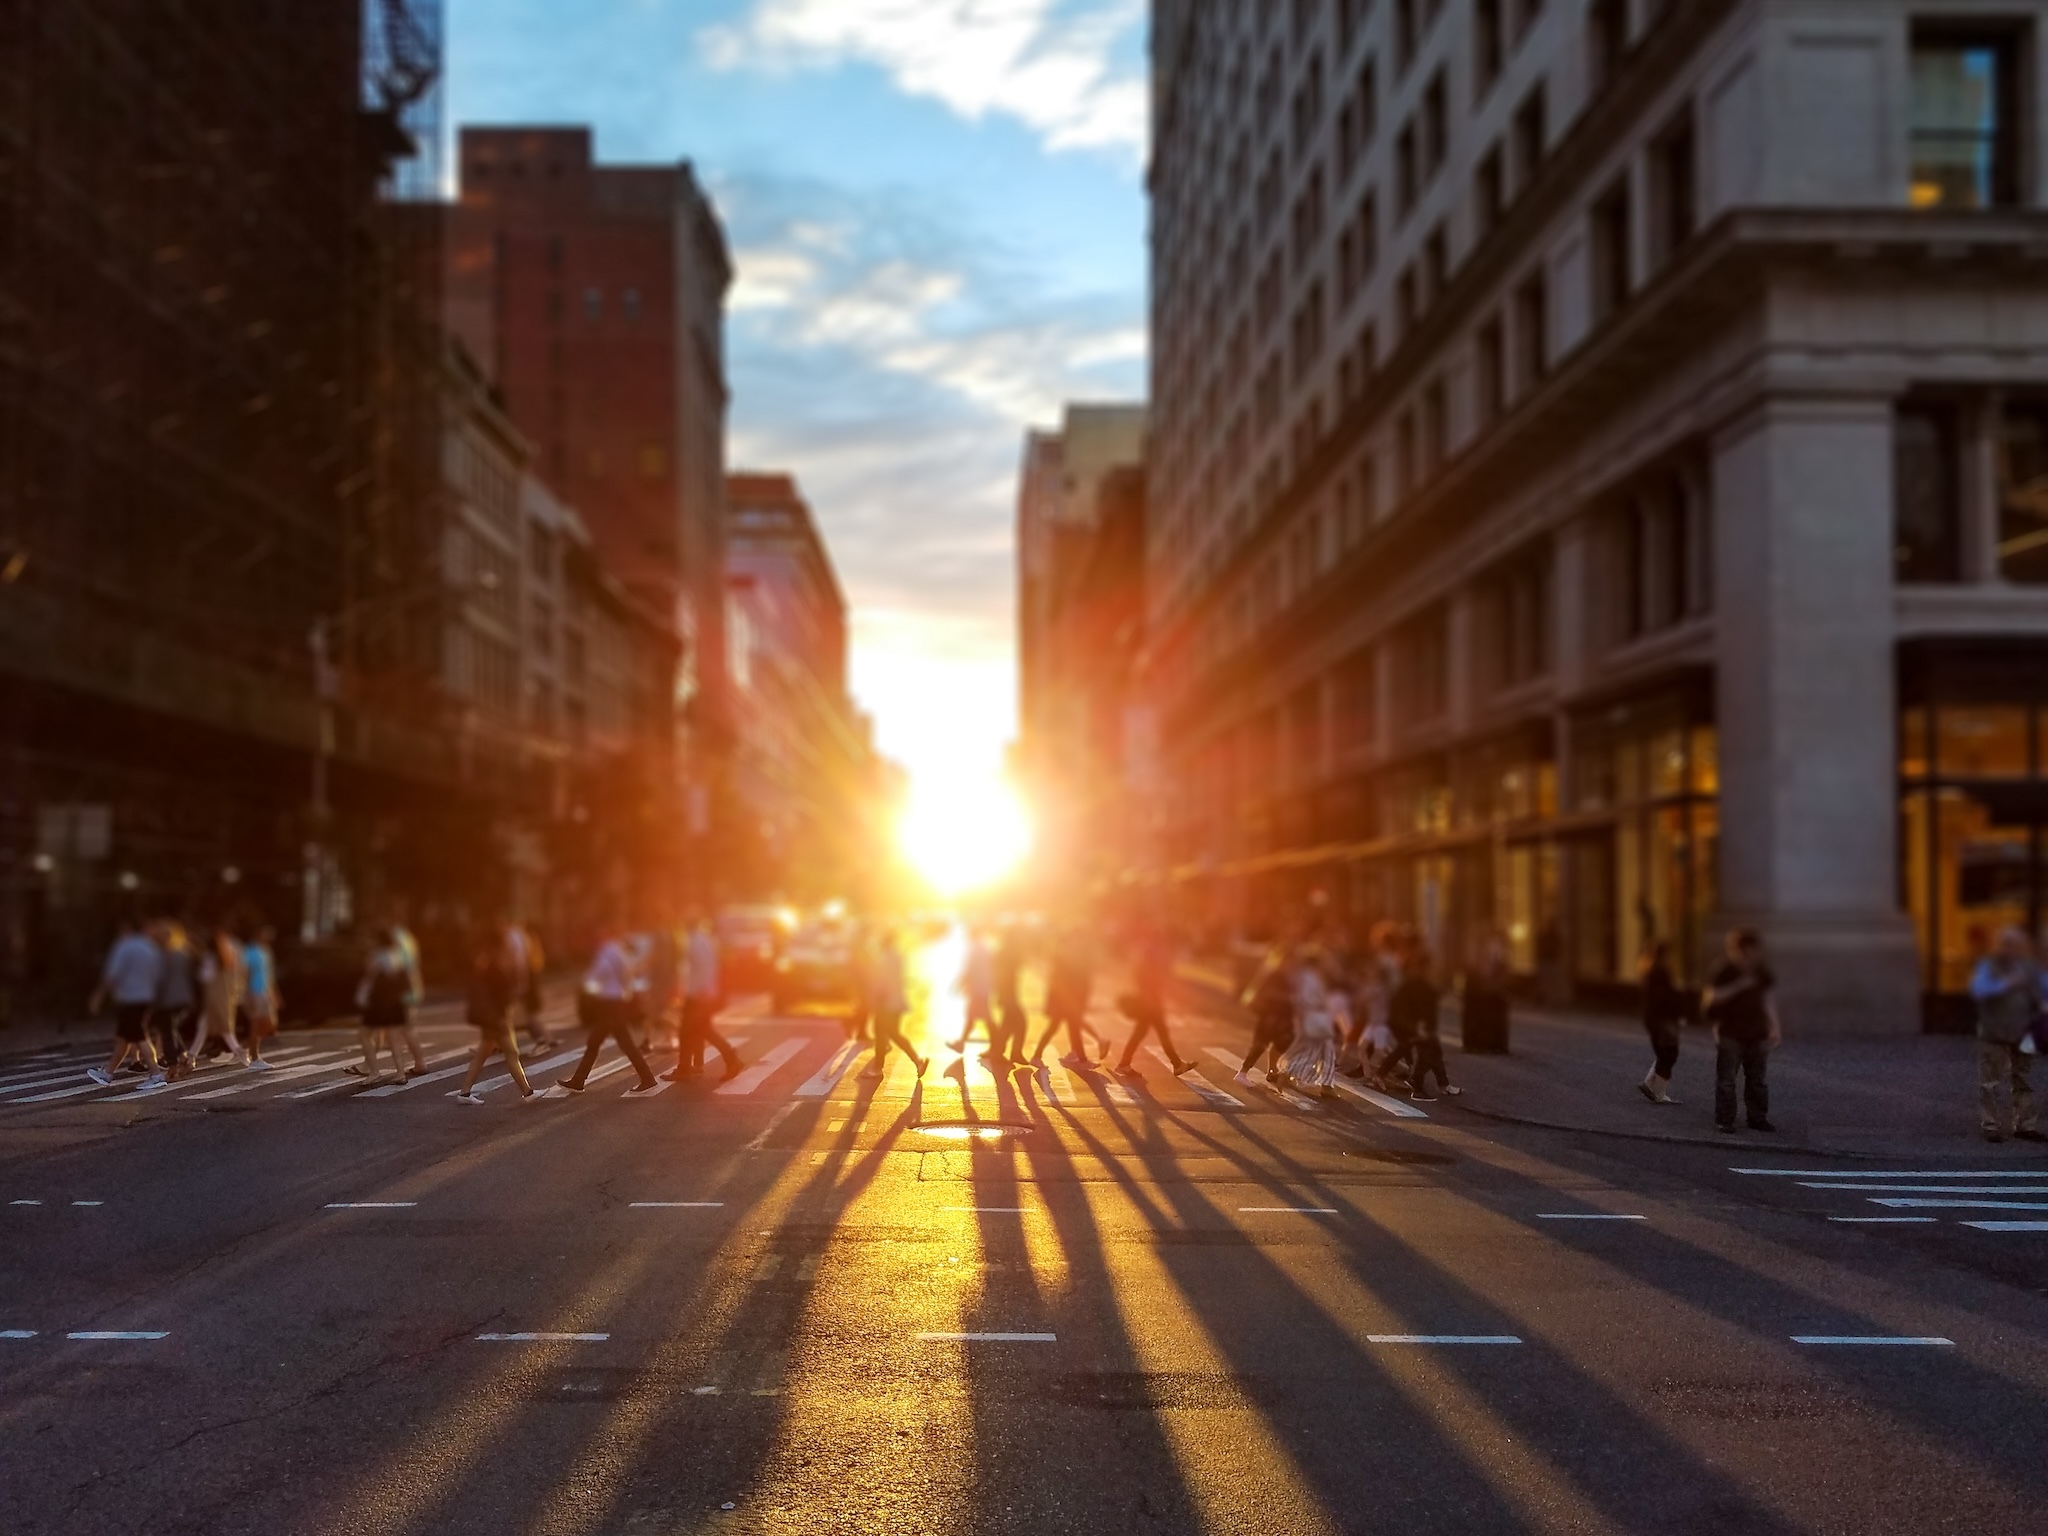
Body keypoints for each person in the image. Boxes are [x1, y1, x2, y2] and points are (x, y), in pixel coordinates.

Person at [547, 928, 661, 1097]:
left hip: (609, 1005)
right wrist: (625, 992)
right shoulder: (618, 951)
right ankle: (579, 1080)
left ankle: (647, 1079)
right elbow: (628, 973)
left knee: (609, 1043)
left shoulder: (605, 953)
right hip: (617, 1002)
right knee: (606, 1042)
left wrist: (589, 985)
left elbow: (597, 975)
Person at [1969, 928, 2044, 1144]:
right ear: (2000, 945)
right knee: (1990, 1082)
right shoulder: (1989, 965)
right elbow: (1979, 990)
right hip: (1994, 1031)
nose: (2011, 949)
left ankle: (2025, 1125)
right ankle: (1991, 1125)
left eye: (2016, 944)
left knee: (2023, 1079)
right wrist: (2006, 984)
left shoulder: (2029, 967)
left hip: (2023, 1030)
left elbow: (2040, 991)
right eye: (2007, 944)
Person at [1703, 926, 1780, 1135]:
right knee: (1727, 1080)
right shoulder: (1724, 970)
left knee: (1758, 1081)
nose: (1748, 957)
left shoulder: (1761, 971)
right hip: (1730, 1032)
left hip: (1757, 1032)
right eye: (1743, 952)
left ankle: (1757, 1118)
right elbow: (1711, 997)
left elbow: (1767, 999)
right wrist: (1739, 985)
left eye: (1752, 951)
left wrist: (1774, 1027)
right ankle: (1725, 1120)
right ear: (1734, 950)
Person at [454, 930, 537, 1104]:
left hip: (492, 1017)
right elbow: (500, 994)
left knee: (484, 1052)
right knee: (511, 1053)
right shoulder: (495, 967)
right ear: (497, 947)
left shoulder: (486, 964)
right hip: (498, 1017)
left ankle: (465, 1092)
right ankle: (527, 1092)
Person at [86, 917, 163, 1088]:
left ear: (126, 928)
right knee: (124, 1038)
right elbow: (158, 975)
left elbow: (112, 974)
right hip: (146, 998)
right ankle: (107, 1072)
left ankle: (156, 1074)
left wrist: (98, 996)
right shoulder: (151, 948)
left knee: (139, 1036)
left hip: (130, 999)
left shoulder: (124, 946)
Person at [666, 915, 744, 1082]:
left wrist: (700, 991)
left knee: (695, 1030)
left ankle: (730, 1058)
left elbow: (703, 968)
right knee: (695, 1030)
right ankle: (687, 1067)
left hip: (699, 995)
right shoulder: (703, 940)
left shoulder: (696, 942)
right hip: (701, 993)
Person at [1113, 923, 1196, 1077]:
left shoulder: (1147, 951)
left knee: (1142, 1032)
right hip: (1151, 1001)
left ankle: (1125, 1064)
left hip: (1150, 999)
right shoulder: (1154, 953)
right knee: (1159, 1033)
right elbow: (1155, 975)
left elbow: (1143, 975)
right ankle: (1176, 1064)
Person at [1389, 941, 1460, 1102]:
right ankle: (1417, 1084)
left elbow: (1431, 997)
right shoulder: (1414, 982)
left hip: (1422, 1025)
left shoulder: (1420, 980)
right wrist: (1417, 1027)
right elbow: (1412, 1007)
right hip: (1417, 1026)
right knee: (1429, 1054)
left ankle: (1443, 1085)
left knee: (1434, 1052)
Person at [859, 928, 928, 1080]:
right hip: (896, 1001)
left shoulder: (884, 958)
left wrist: (873, 999)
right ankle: (917, 1061)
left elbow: (881, 981)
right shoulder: (897, 956)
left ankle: (878, 1069)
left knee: (882, 1033)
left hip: (886, 1002)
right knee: (892, 1033)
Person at [1277, 950, 1344, 1097]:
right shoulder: (1311, 978)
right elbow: (1311, 999)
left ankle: (1326, 1085)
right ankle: (1289, 1073)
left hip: (1311, 1017)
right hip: (1316, 1017)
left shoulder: (1303, 977)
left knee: (1324, 1050)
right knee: (1319, 1051)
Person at [1029, 924, 1096, 1066]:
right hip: (1061, 1001)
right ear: (1070, 940)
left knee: (1073, 1027)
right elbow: (1059, 981)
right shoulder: (1062, 956)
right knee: (1055, 1027)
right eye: (1076, 939)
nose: (1079, 942)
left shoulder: (1068, 955)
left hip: (1066, 1000)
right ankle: (1036, 1057)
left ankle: (1082, 1060)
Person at [1236, 937, 1299, 1087]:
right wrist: (1287, 997)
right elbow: (1267, 993)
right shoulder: (1274, 974)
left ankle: (1273, 1070)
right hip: (1271, 1016)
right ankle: (1242, 1073)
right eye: (1288, 961)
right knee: (1260, 1045)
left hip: (1283, 1016)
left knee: (1284, 1042)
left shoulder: (1288, 976)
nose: (1290, 965)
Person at [350, 928, 412, 1081]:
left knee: (364, 1034)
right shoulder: (398, 955)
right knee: (393, 1037)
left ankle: (374, 1072)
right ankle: (400, 1074)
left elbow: (369, 976)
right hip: (396, 1002)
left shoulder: (376, 957)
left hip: (379, 1003)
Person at [150, 922, 200, 1082]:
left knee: (167, 1033)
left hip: (167, 1000)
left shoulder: (163, 955)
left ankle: (172, 1067)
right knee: (171, 1029)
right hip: (184, 998)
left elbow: (160, 979)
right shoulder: (183, 953)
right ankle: (184, 1057)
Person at [1638, 941, 1685, 1105]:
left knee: (1664, 1051)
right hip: (1663, 1018)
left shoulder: (1648, 968)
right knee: (1669, 1053)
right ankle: (1658, 1092)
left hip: (1653, 1016)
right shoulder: (1661, 971)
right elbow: (1667, 996)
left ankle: (1650, 1083)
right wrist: (1678, 1014)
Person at [191, 928, 247, 1066]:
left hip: (212, 997)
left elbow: (205, 977)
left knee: (214, 1027)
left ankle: (191, 1056)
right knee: (217, 1027)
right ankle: (192, 1055)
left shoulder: (210, 958)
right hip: (226, 997)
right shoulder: (228, 958)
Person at [387, 919, 430, 1077]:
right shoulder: (408, 938)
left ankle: (403, 1071)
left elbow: (395, 964)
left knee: (398, 1030)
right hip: (412, 986)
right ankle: (419, 1062)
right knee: (407, 1028)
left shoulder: (395, 938)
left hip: (402, 988)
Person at [504, 920, 553, 1055]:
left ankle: (541, 1037)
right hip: (524, 978)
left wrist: (519, 983)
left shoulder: (513, 937)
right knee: (517, 1013)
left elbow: (518, 961)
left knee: (520, 1014)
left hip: (518, 980)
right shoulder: (521, 935)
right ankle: (545, 1037)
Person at [949, 928, 999, 1053]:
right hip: (983, 988)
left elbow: (969, 970)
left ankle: (998, 1044)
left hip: (978, 989)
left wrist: (958, 985)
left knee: (984, 1018)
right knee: (974, 1017)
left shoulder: (974, 950)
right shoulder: (983, 948)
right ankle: (962, 1043)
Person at [991, 926, 1031, 1069]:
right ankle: (1013, 1053)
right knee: (1021, 1023)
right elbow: (1001, 974)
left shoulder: (1006, 951)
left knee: (1007, 1025)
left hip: (1008, 993)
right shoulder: (1007, 952)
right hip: (1007, 994)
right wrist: (1002, 994)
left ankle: (999, 1052)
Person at [242, 924, 281, 1068]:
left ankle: (239, 1048)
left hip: (265, 992)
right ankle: (255, 1058)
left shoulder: (266, 951)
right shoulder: (249, 952)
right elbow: (245, 974)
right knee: (255, 1026)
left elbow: (269, 975)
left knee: (269, 1026)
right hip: (254, 992)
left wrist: (275, 994)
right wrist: (247, 994)